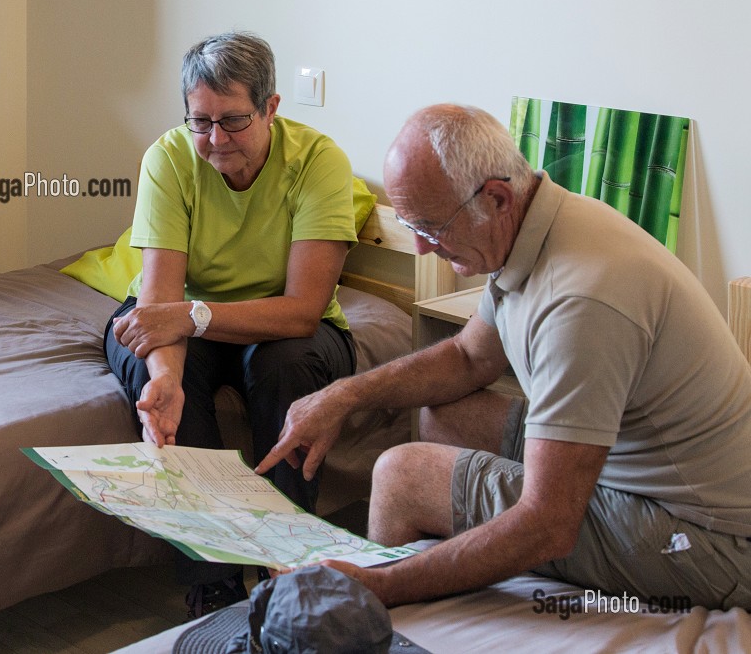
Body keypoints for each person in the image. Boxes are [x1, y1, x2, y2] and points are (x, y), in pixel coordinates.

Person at [258, 103, 751, 611]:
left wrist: (381, 584)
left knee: (403, 475)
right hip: (630, 468)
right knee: (446, 416)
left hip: (708, 538)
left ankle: (379, 618)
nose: (422, 248)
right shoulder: (537, 227)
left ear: (496, 198)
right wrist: (341, 396)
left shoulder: (579, 301)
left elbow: (549, 524)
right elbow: (468, 358)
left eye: (430, 227)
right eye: (410, 225)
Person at [105, 31, 360, 617]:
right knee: (162, 372)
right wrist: (166, 377)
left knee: (288, 365)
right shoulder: (169, 159)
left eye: (234, 121)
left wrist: (194, 316)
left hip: (280, 324)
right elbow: (160, 304)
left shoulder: (319, 162)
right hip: (174, 313)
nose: (216, 139)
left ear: (271, 107)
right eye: (201, 121)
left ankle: (286, 559)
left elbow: (302, 309)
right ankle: (214, 579)